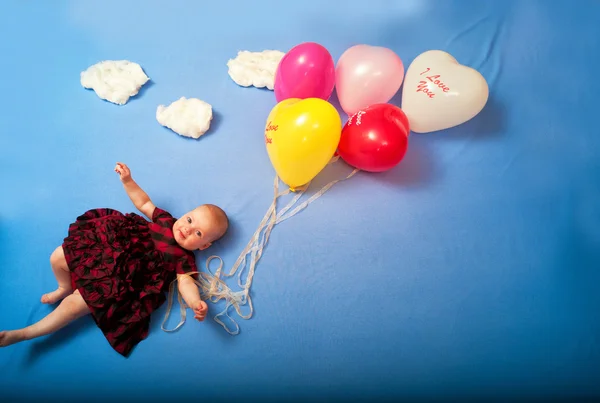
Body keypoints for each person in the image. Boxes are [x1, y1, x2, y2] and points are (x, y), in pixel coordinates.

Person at [0, 162, 229, 356]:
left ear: (204, 245)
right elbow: (144, 203)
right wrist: (128, 181)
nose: (188, 229)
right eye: (189, 220)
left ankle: (24, 334)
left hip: (121, 281)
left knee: (73, 306)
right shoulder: (166, 220)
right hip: (108, 250)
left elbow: (186, 283)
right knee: (58, 256)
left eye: (198, 233)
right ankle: (63, 286)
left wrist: (194, 303)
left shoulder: (184, 259)